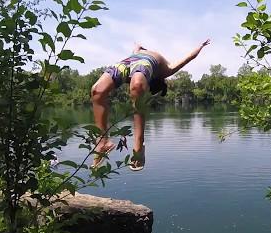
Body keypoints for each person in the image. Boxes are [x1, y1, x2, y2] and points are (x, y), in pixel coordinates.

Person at [90, 38, 211, 171]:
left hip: (141, 62)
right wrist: (201, 46)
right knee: (97, 90)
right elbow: (188, 58)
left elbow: (190, 58)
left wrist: (137, 47)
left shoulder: (150, 74)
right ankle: (103, 142)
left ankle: (139, 145)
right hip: (129, 61)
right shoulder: (167, 71)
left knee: (136, 85)